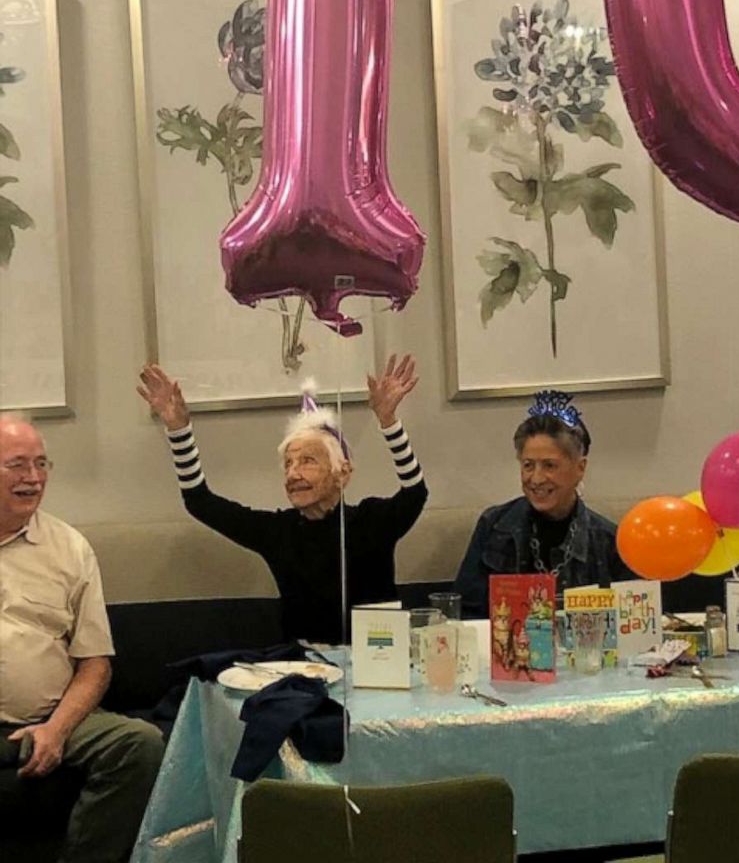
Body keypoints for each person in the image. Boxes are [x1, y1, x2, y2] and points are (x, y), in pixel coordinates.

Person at [137, 355, 427, 643]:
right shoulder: (278, 532)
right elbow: (199, 501)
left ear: (343, 473)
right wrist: (179, 431)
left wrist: (388, 423)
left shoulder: (373, 520)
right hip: (303, 671)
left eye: (308, 461)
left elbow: (415, 491)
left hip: (378, 665)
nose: (293, 474)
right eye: (288, 464)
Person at [0, 415, 164, 863]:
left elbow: (95, 663)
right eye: (17, 465)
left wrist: (56, 729)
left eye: (41, 464)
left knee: (140, 744)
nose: (33, 478)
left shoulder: (70, 548)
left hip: (49, 716)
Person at [454, 390, 631, 618]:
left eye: (549, 466)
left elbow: (630, 622)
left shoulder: (608, 541)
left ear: (580, 468)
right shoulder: (494, 526)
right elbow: (464, 614)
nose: (536, 479)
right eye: (528, 465)